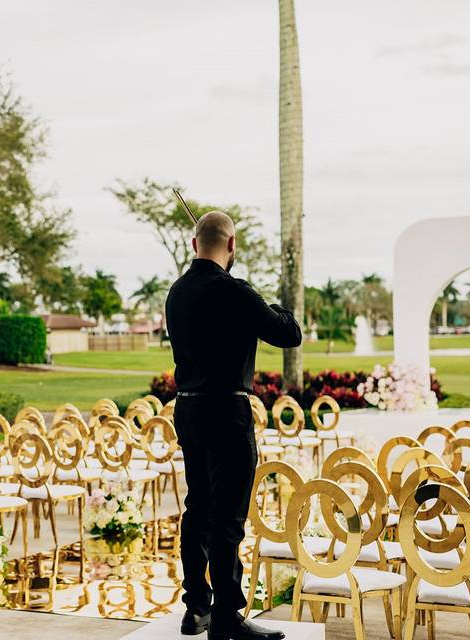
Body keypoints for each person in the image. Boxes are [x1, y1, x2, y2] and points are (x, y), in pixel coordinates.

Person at [165, 212, 301, 640]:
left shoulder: (177, 291)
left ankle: (195, 609)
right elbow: (288, 332)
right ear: (232, 245)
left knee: (198, 509)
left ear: (193, 245)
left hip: (188, 410)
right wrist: (272, 304)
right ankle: (226, 616)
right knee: (228, 517)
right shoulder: (236, 292)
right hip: (226, 411)